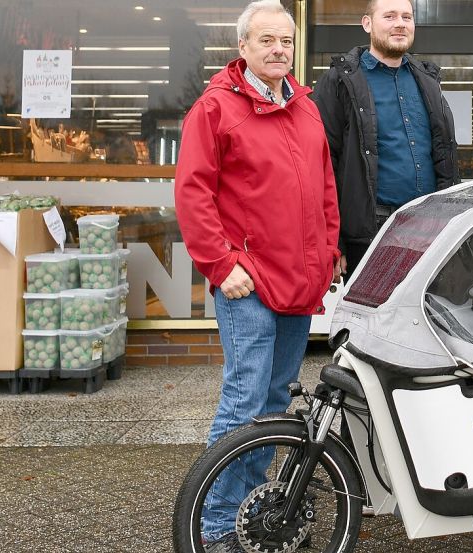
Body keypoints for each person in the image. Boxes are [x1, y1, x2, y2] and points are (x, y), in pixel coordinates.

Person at [174, 1, 341, 550]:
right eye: (265, 40)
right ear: (242, 47)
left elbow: (323, 192)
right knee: (245, 401)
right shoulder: (216, 108)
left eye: (285, 41)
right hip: (247, 281)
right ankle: (215, 525)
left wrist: (327, 254)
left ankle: (248, 512)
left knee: (273, 405)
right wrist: (222, 266)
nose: (277, 50)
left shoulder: (306, 108)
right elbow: (193, 194)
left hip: (297, 281)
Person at [312, 0, 459, 275]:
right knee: (375, 316)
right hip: (370, 231)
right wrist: (334, 240)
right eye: (389, 16)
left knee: (424, 315)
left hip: (429, 226)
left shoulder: (427, 81)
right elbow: (323, 164)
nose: (400, 24)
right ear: (367, 24)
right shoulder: (340, 81)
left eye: (407, 17)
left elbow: (444, 155)